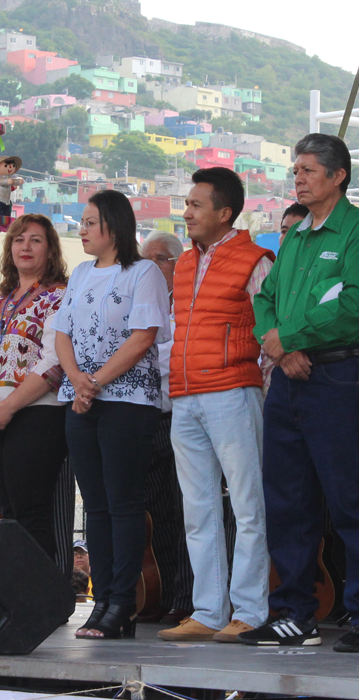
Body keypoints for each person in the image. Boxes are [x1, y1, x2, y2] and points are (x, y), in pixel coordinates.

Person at [249, 133, 359, 652]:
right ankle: (293, 611)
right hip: (289, 377)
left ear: (338, 176)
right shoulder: (296, 237)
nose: (299, 178)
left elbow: (358, 306)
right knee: (287, 500)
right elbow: (264, 299)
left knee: (351, 497)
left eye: (309, 170)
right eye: (296, 170)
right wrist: (281, 347)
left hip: (337, 376)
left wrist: (292, 337)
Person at [153, 168, 273, 645]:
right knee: (197, 508)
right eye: (186, 203)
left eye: (196, 205)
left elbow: (270, 331)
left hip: (233, 392)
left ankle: (249, 610)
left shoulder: (255, 259)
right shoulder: (183, 264)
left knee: (248, 506)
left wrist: (259, 385)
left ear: (225, 213)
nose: (186, 212)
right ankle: (208, 609)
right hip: (185, 397)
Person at [56, 190, 171, 639]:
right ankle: (101, 599)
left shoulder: (144, 273)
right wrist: (79, 382)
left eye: (89, 223)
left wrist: (96, 381)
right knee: (96, 506)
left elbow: (144, 336)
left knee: (124, 505)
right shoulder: (81, 273)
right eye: (81, 223)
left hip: (127, 402)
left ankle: (123, 602)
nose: (81, 230)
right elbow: (61, 333)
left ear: (113, 226)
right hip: (81, 401)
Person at [0, 214, 70, 562]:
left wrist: (9, 407)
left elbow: (54, 363)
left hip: (37, 414)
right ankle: (18, 593)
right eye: (19, 239)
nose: (26, 246)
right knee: (7, 511)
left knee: (31, 511)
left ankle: (45, 599)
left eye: (36, 240)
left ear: (51, 250)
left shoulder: (60, 297)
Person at [139, 229, 195, 627]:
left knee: (182, 511)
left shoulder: (187, 304)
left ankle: (185, 596)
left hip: (180, 416)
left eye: (159, 258)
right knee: (154, 512)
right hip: (145, 418)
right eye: (146, 259)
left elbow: (169, 360)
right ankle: (154, 591)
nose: (151, 266)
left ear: (177, 263)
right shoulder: (139, 304)